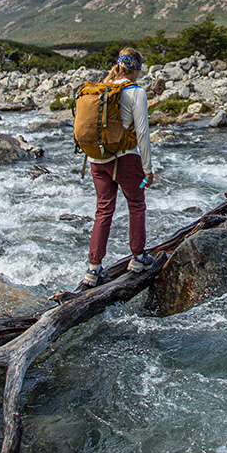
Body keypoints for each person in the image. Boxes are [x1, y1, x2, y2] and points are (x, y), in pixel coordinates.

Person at [81, 48, 156, 290]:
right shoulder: (136, 93)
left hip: (97, 159)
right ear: (136, 70)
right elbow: (142, 134)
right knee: (136, 204)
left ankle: (93, 269)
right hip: (125, 160)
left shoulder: (102, 88)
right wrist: (148, 169)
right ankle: (138, 257)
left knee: (103, 210)